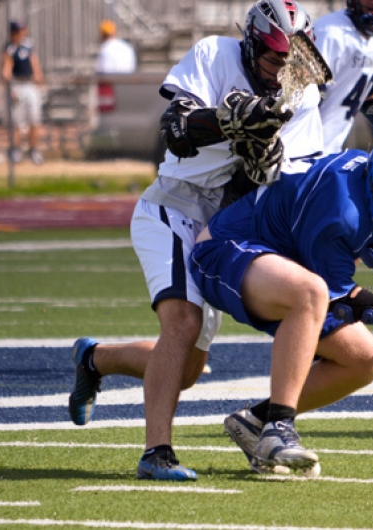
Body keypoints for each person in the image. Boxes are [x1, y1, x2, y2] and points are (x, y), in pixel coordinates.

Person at [67, 0, 324, 482]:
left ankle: (94, 357)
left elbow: (291, 178)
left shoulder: (300, 93)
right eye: (272, 59)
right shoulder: (215, 55)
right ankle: (156, 453)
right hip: (174, 206)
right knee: (181, 324)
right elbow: (174, 131)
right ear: (250, 45)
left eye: (290, 61)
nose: (281, 72)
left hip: (225, 227)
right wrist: (230, 122)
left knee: (186, 369)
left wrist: (266, 158)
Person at [191, 128, 373, 474]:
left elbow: (371, 235)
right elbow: (339, 297)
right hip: (225, 250)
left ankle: (256, 422)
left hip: (279, 263)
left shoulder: (365, 179)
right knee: (311, 293)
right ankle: (279, 428)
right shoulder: (340, 206)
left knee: (366, 360)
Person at [314, 0, 373, 154]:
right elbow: (303, 96)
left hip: (330, 149)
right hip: (299, 150)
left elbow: (366, 91)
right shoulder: (328, 33)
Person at [1, 20, 45, 165]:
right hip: (17, 85)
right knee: (16, 121)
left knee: (34, 119)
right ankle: (16, 150)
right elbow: (6, 68)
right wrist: (8, 83)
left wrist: (39, 78)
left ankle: (34, 150)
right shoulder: (9, 48)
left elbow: (34, 63)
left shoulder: (28, 45)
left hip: (29, 84)